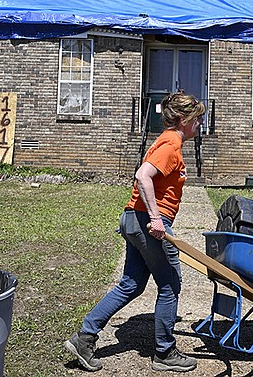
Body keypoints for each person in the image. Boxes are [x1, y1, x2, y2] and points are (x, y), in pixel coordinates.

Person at [64, 92, 206, 373]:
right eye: (197, 118)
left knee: (131, 284)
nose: (200, 123)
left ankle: (84, 337)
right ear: (182, 120)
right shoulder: (170, 143)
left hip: (134, 219)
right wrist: (156, 219)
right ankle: (165, 352)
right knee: (170, 285)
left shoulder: (166, 141)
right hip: (148, 223)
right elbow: (143, 176)